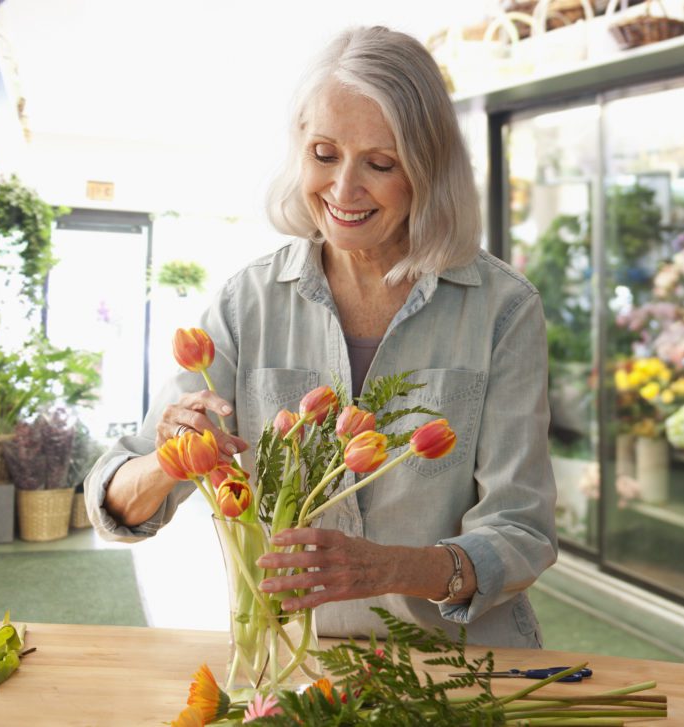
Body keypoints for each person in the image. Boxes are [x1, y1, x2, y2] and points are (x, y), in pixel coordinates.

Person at [84, 25, 557, 648]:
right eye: (325, 154)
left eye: (380, 164)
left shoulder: (504, 309)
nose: (342, 190)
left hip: (459, 667)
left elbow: (521, 532)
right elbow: (116, 505)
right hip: (295, 665)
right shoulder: (243, 303)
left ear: (428, 171)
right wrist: (169, 459)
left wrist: (384, 567)